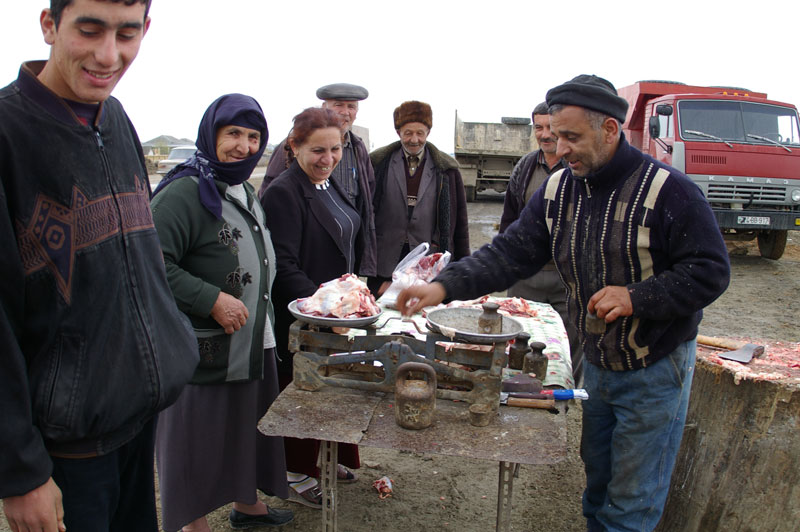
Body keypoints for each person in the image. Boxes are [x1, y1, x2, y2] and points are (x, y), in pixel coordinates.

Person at [396, 75, 731, 532]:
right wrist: (444, 286)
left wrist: (637, 297)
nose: (561, 148)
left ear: (610, 130)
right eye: (556, 136)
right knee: (597, 487)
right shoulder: (559, 189)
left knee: (632, 500)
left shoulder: (669, 191)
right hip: (594, 361)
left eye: (572, 137)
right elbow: (510, 252)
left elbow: (710, 271)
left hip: (654, 365)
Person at [0, 2, 199, 532]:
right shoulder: (7, 134)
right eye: (89, 30)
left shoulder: (115, 116)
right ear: (49, 25)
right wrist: (20, 470)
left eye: (126, 34)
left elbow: (143, 266)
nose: (108, 55)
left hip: (138, 416)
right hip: (69, 446)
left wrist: (172, 339)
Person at [150, 94, 293, 531]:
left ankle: (246, 506)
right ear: (211, 134)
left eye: (254, 137)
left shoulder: (242, 188)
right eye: (233, 133)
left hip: (249, 340)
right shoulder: (184, 191)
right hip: (202, 346)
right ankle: (193, 523)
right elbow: (150, 261)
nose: (244, 146)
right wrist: (209, 299)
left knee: (246, 427)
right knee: (195, 438)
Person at [260, 107, 364, 509]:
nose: (328, 159)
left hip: (332, 314)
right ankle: (295, 472)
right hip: (305, 316)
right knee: (305, 392)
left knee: (335, 389)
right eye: (317, 150)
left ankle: (327, 456)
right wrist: (325, 308)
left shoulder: (327, 183)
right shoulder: (284, 192)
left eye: (335, 149)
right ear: (295, 146)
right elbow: (283, 265)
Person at [498, 102, 582, 385]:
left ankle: (563, 398)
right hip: (527, 275)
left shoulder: (579, 167)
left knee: (569, 344)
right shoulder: (524, 167)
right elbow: (509, 218)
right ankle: (519, 391)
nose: (545, 135)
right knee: (519, 337)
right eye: (538, 128)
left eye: (551, 128)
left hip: (566, 278)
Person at [257, 83, 377, 277]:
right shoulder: (287, 162)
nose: (345, 112)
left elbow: (367, 196)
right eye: (339, 105)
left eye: (351, 107)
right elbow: (275, 203)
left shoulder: (357, 148)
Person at [368, 100, 470, 295]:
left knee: (420, 315)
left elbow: (460, 223)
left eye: (420, 133)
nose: (414, 140)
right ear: (399, 133)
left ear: (428, 133)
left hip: (427, 262)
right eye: (408, 133)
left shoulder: (447, 170)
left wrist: (463, 264)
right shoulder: (377, 164)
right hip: (385, 260)